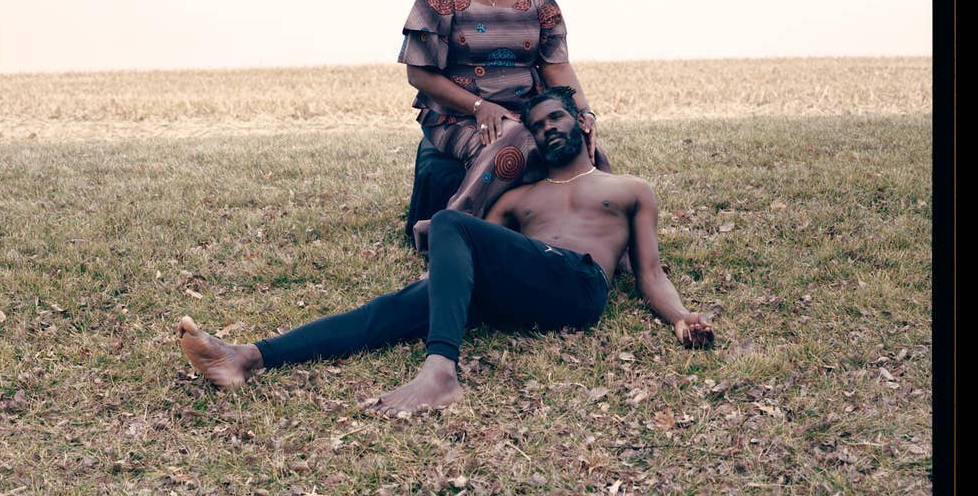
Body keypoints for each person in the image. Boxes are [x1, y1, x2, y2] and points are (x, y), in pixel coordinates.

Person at [177, 87, 714, 414]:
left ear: (580, 124)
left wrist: (681, 317)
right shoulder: (520, 198)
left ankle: (441, 372)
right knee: (393, 308)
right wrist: (440, 248)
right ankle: (247, 357)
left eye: (557, 119)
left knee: (455, 223)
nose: (549, 128)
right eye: (538, 124)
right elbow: (466, 246)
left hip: (578, 287)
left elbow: (649, 274)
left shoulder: (628, 190)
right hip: (517, 297)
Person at [398, 0, 610, 222]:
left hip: (528, 109)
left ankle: (609, 236)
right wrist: (479, 106)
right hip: (457, 115)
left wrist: (584, 113)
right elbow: (419, 73)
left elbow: (557, 66)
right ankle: (451, 226)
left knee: (578, 142)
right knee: (516, 140)